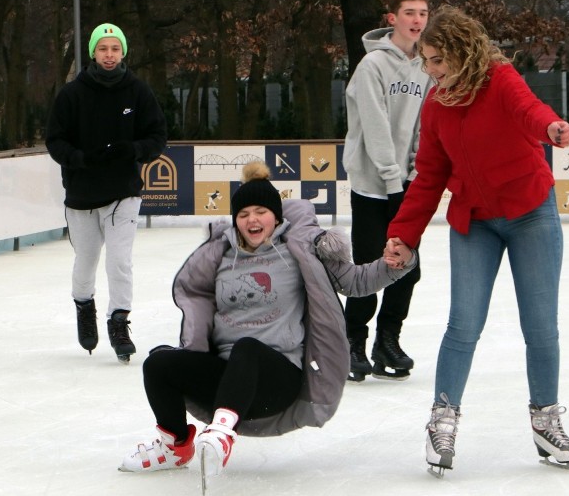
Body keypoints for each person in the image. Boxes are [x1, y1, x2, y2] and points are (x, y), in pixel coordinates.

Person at [118, 161, 416, 474]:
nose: (252, 220)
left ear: (276, 216)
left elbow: (356, 282)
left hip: (277, 380)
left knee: (248, 348)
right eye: (243, 214)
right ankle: (175, 446)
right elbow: (198, 300)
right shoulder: (220, 255)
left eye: (260, 211)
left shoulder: (302, 250)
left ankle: (221, 432)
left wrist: (396, 264)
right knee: (159, 363)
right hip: (227, 375)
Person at [385, 5, 569, 475]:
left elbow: (528, 109)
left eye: (436, 60)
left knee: (540, 327)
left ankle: (545, 419)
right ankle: (442, 420)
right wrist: (403, 236)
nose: (430, 71)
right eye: (426, 61)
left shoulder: (499, 77)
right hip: (474, 220)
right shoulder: (435, 106)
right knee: (463, 324)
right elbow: (429, 177)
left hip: (530, 213)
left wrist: (551, 127)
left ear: (460, 51)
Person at [46, 23, 167, 363]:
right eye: (103, 49)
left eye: (115, 49)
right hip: (82, 194)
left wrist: (133, 150)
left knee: (119, 260)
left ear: (123, 52)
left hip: (122, 192)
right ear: (93, 53)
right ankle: (85, 307)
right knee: (86, 261)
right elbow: (55, 139)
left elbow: (157, 136)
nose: (109, 55)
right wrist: (78, 159)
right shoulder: (72, 94)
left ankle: (119, 321)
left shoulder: (138, 92)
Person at [341, 0, 431, 382]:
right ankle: (352, 343)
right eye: (409, 12)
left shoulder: (427, 67)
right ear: (391, 19)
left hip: (408, 182)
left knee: (407, 267)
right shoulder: (372, 65)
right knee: (369, 266)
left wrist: (414, 173)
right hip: (372, 185)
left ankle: (388, 341)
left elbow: (423, 125)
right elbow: (375, 127)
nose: (417, 20)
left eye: (423, 14)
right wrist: (393, 178)